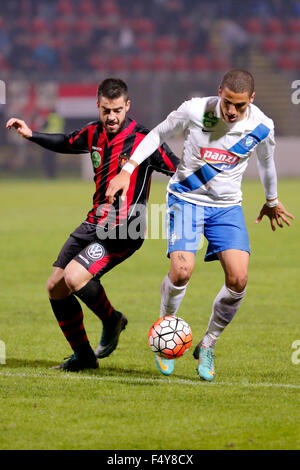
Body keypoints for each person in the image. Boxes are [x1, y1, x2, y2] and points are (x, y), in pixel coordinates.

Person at [106, 69, 294, 381]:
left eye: (240, 106)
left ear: (252, 100)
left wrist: (272, 200)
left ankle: (207, 344)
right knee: (181, 270)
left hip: (226, 207)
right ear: (219, 91)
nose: (232, 111)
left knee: (239, 278)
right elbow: (157, 134)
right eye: (227, 102)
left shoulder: (261, 126)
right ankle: (166, 327)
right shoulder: (195, 110)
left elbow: (265, 162)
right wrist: (127, 170)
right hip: (186, 199)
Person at [6, 78, 179, 372]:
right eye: (106, 111)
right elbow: (65, 142)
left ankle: (112, 320)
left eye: (117, 111)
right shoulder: (93, 133)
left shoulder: (145, 141)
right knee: (55, 288)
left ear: (127, 106)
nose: (111, 117)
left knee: (75, 278)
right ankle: (84, 356)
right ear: (98, 106)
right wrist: (31, 134)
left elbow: (178, 170)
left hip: (125, 229)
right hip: (93, 223)